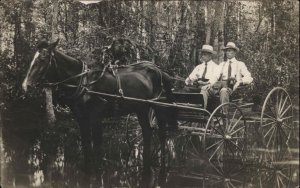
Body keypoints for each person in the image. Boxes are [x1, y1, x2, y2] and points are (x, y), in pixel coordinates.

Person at [218, 42, 253, 106]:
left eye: (230, 51)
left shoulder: (240, 64)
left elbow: (249, 77)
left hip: (233, 88)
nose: (228, 53)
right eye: (226, 51)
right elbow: (215, 76)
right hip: (221, 86)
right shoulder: (222, 64)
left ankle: (224, 113)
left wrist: (240, 82)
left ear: (234, 52)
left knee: (223, 91)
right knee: (206, 89)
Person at [185, 44, 220, 109]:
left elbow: (215, 78)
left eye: (205, 54)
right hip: (199, 86)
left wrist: (207, 83)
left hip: (211, 87)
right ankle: (187, 109)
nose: (203, 56)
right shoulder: (199, 67)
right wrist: (189, 80)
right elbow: (192, 76)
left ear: (210, 56)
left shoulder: (216, 67)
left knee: (204, 89)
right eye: (202, 54)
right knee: (186, 89)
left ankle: (202, 111)